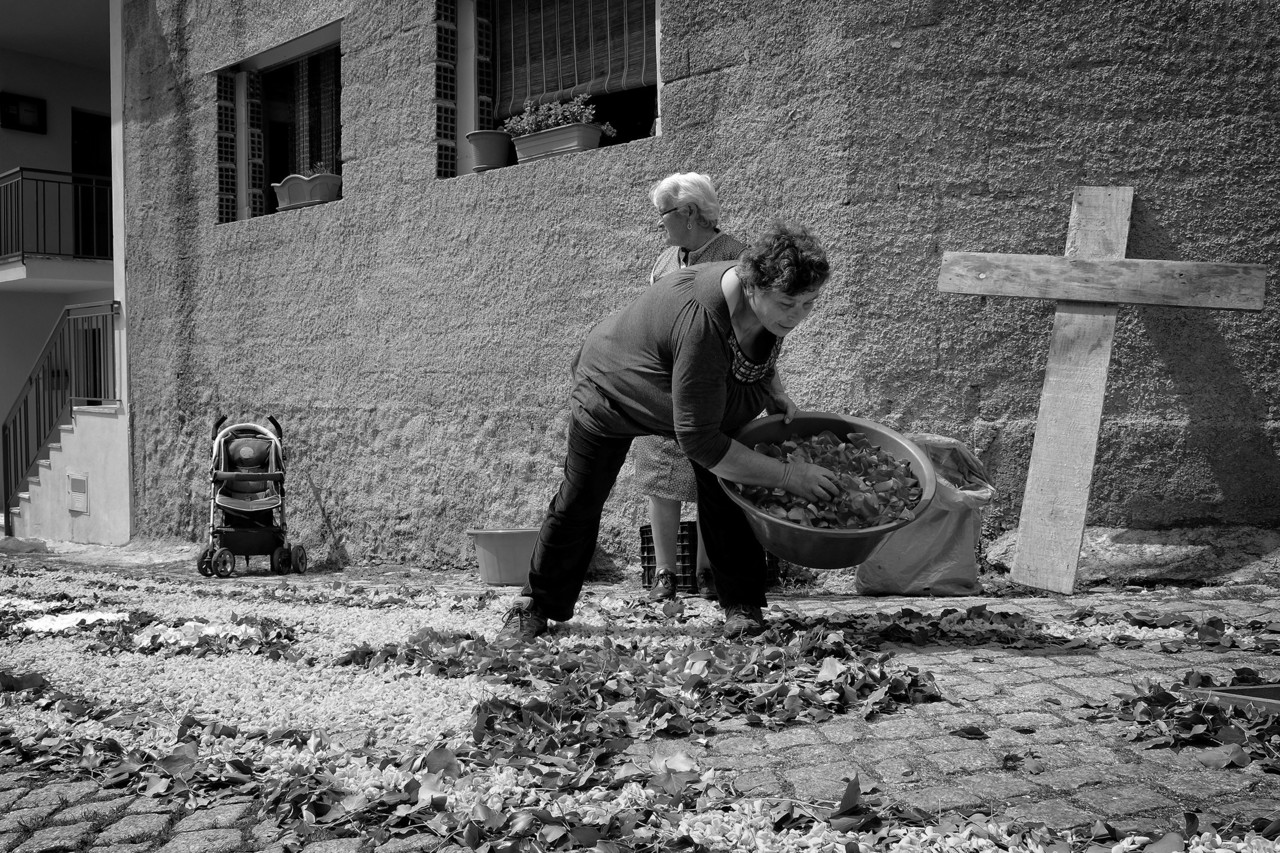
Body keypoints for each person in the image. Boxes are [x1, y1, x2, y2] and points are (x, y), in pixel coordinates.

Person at [497, 222, 838, 643]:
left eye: (809, 303)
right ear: (753, 286)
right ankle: (536, 605)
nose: (798, 316)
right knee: (581, 497)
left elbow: (759, 347)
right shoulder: (702, 319)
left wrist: (775, 389)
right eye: (789, 303)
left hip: (689, 394)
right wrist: (789, 476)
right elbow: (700, 440)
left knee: (728, 486)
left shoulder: (765, 301)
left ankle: (742, 605)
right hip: (612, 390)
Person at [639, 172, 747, 603]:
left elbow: (750, 332)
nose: (659, 225)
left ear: (688, 213)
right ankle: (664, 576)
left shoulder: (739, 259)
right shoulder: (663, 263)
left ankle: (708, 572)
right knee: (658, 477)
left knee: (715, 477)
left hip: (716, 385)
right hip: (665, 386)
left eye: (663, 215)